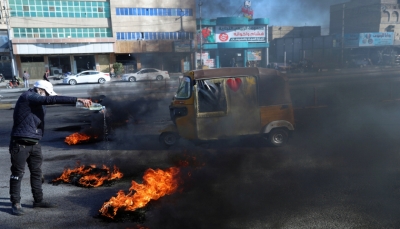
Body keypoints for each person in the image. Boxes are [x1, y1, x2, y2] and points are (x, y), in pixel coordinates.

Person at [9, 80, 92, 216]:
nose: (47, 96)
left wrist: (79, 103)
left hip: (35, 142)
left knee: (36, 173)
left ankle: (38, 201)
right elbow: (51, 99)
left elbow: (55, 97)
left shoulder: (38, 97)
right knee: (17, 174)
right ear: (40, 90)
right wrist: (78, 98)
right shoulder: (28, 96)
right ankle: (16, 203)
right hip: (20, 143)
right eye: (46, 93)